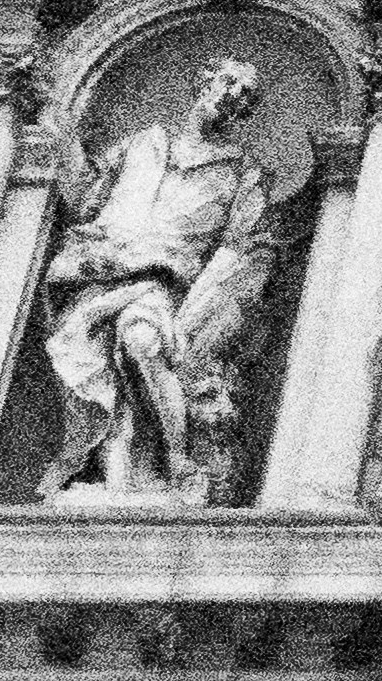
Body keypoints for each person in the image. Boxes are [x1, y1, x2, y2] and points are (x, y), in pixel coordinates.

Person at [37, 57, 286, 501]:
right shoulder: (142, 143)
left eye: (245, 97)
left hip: (166, 283)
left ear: (244, 115)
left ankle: (178, 459)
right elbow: (87, 202)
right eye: (228, 82)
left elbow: (239, 248)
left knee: (141, 342)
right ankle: (116, 478)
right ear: (203, 79)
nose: (232, 96)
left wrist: (198, 310)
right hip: (98, 272)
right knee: (101, 377)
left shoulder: (241, 172)